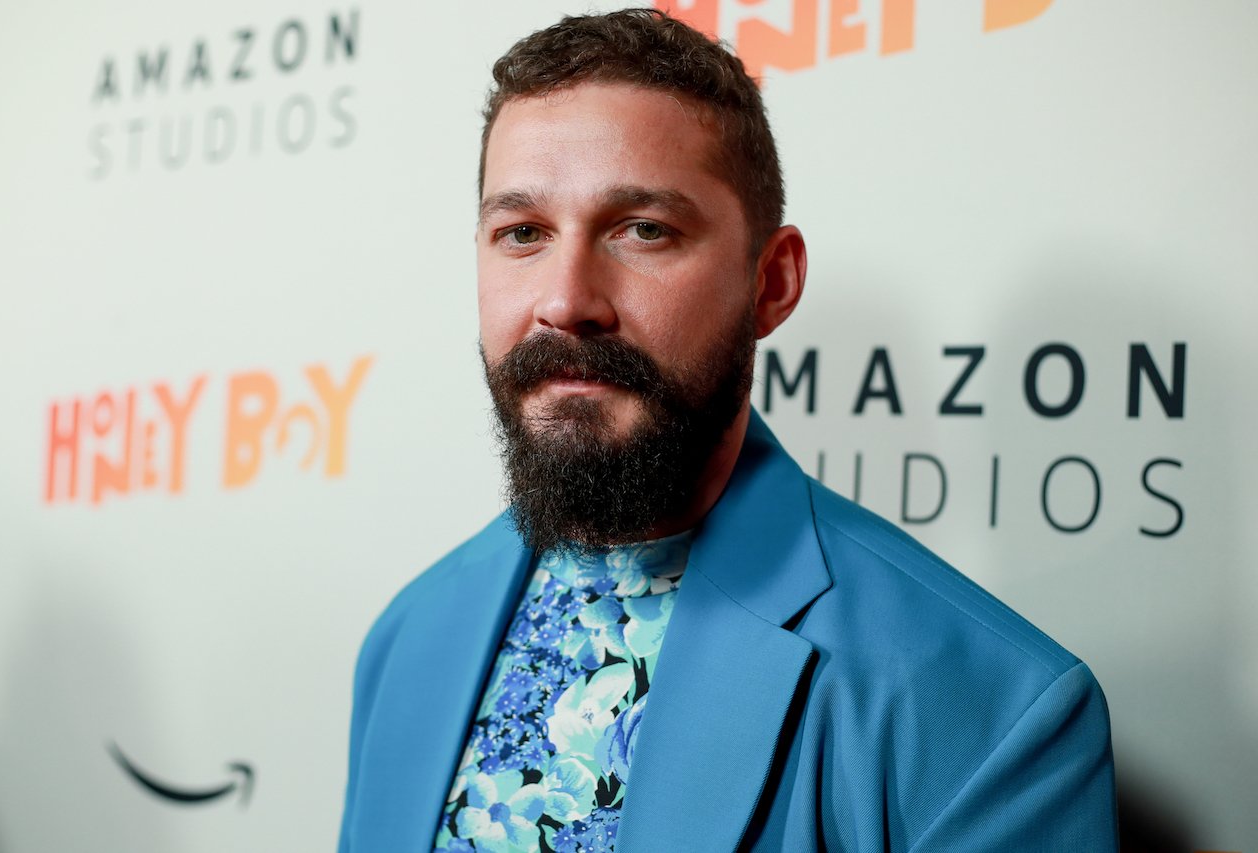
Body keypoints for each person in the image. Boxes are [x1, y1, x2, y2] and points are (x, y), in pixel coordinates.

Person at [339, 9, 1118, 852]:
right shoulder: (406, 636)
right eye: (522, 233)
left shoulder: (993, 713)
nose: (565, 300)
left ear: (771, 283)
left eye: (644, 229)